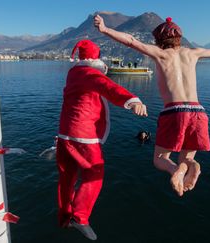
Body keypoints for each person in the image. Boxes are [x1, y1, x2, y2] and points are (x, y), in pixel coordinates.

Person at [94, 15, 210, 196]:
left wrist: (105, 29)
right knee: (186, 158)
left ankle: (175, 171)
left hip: (174, 111)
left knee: (160, 159)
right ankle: (191, 166)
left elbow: (132, 41)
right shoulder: (193, 53)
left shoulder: (161, 54)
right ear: (179, 38)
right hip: (198, 111)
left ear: (158, 40)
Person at [57, 39, 147, 240]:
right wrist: (132, 101)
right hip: (83, 135)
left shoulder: (73, 74)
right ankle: (79, 218)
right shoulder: (89, 74)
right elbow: (107, 86)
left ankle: (64, 216)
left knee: (67, 177)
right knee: (95, 173)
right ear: (95, 58)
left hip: (64, 133)